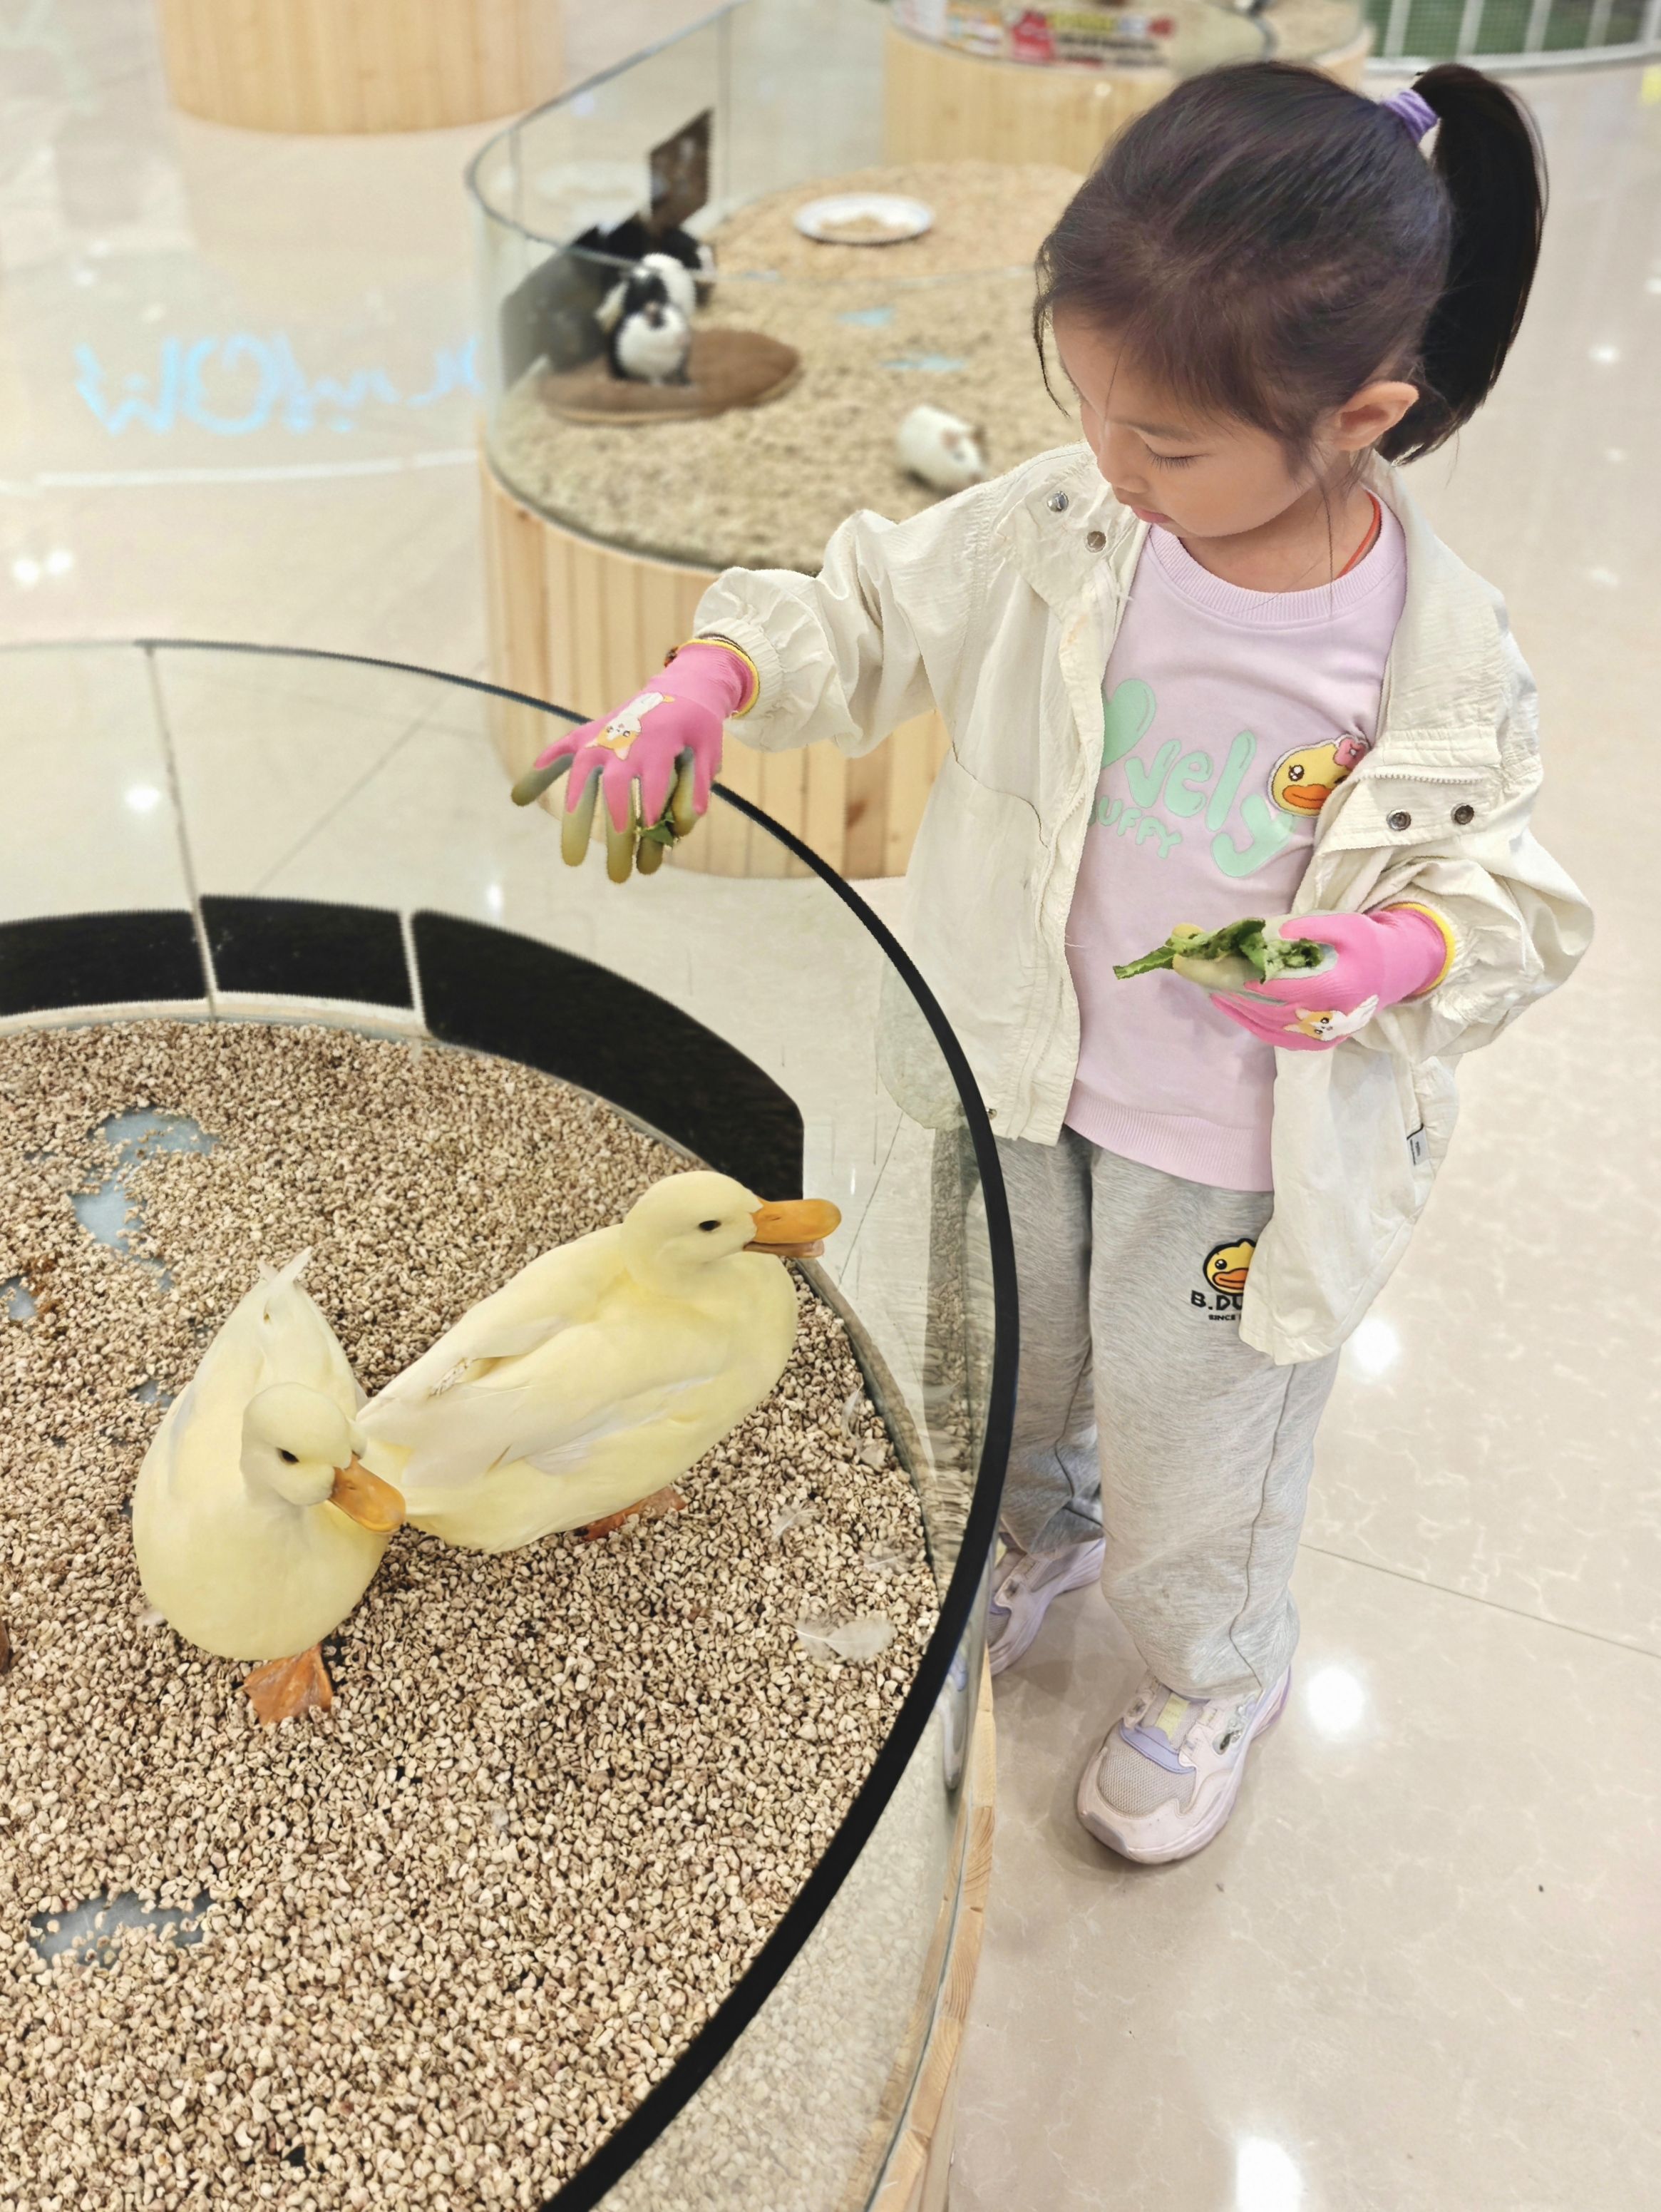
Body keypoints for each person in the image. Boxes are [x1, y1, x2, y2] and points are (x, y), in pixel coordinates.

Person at [526, 63, 1592, 1864]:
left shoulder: (1439, 656)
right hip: (1019, 1072)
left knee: (1202, 1438)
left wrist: (1395, 944)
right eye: (1085, 402)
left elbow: (1514, 898)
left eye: (1164, 442)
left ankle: (1209, 1670)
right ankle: (1031, 1536)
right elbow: (869, 607)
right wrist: (714, 676)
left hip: (1236, 1145)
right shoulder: (1063, 530)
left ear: (1359, 415)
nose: (1111, 462)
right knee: (1006, 1356)